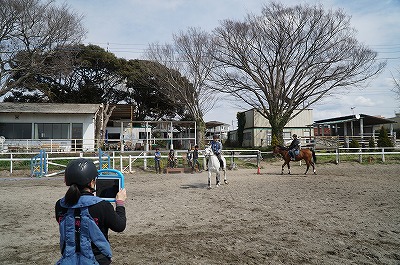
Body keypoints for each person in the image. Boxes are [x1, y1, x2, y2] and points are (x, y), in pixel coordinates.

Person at [55, 158, 127, 265]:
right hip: (97, 259)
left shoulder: (60, 205)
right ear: (92, 182)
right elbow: (120, 226)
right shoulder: (102, 205)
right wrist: (120, 203)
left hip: (68, 259)